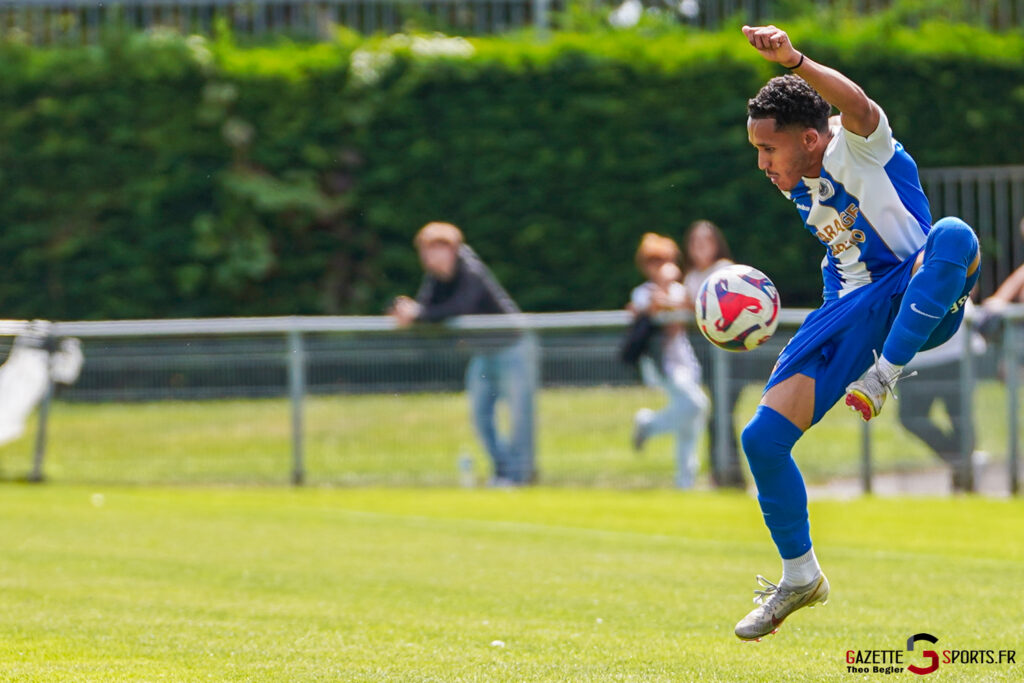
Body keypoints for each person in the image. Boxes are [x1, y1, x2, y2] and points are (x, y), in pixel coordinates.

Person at [733, 25, 981, 641]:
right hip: (850, 307)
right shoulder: (798, 177)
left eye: (768, 149)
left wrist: (794, 60)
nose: (762, 163)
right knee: (762, 439)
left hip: (919, 291)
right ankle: (799, 576)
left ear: (812, 139)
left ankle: (885, 376)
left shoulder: (858, 146)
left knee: (953, 233)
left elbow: (859, 106)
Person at [390, 222, 537, 486]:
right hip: (482, 354)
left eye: (434, 250)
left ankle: (519, 477)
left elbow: (461, 306)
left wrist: (419, 314)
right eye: (424, 251)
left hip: (510, 349)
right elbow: (427, 308)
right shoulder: (435, 278)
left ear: (451, 249)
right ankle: (504, 470)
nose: (427, 257)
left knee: (518, 417)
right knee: (480, 417)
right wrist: (408, 312)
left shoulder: (471, 270)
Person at [628, 233, 708, 489]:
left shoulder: (680, 290)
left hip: (684, 359)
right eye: (653, 261)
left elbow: (691, 311)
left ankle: (685, 483)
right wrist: (663, 292)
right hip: (663, 365)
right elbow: (651, 310)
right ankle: (649, 424)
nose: (659, 266)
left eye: (664, 260)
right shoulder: (642, 292)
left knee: (690, 425)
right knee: (697, 405)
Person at [681, 220, 746, 489]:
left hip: (732, 360)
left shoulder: (724, 271)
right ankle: (724, 475)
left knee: (722, 414)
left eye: (705, 241)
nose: (700, 248)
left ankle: (730, 474)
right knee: (716, 414)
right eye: (695, 242)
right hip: (708, 360)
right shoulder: (691, 276)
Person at [898, 301, 986, 493]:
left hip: (957, 348)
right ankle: (964, 462)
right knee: (911, 418)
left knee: (959, 416)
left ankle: (967, 473)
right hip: (915, 355)